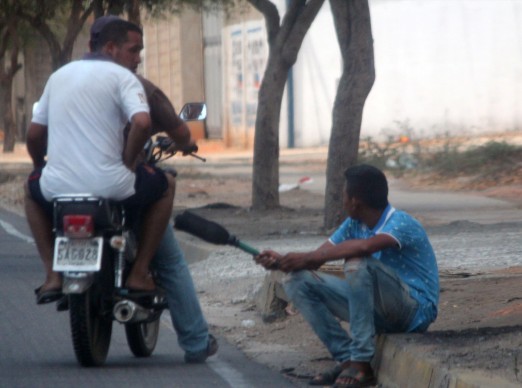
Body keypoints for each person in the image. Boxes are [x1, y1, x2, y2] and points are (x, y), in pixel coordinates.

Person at [90, 16, 217, 363]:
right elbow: (178, 132)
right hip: (123, 184)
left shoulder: (68, 82)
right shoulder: (139, 88)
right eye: (135, 50)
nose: (138, 58)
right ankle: (194, 339)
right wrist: (181, 143)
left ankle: (57, 275)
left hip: (74, 184)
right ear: (112, 49)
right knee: (171, 257)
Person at [255, 164, 439, 387]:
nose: (342, 200)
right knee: (297, 281)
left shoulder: (401, 223)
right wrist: (282, 262)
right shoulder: (354, 223)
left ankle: (361, 361)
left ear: (355, 201)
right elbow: (319, 255)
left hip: (413, 311)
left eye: (343, 195)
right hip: (377, 309)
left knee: (357, 262)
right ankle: (346, 360)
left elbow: (363, 248)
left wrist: (307, 258)